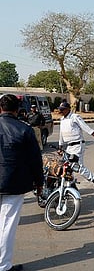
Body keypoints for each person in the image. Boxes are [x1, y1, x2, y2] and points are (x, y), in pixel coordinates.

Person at [0, 94, 43, 271]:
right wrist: (39, 183)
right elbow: (35, 160)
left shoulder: (25, 129)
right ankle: (3, 266)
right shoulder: (24, 129)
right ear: (18, 109)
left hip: (13, 182)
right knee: (7, 224)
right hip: (14, 183)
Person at [57, 101, 94, 195]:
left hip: (78, 145)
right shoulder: (62, 119)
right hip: (69, 146)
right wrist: (60, 146)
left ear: (68, 109)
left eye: (62, 109)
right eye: (60, 109)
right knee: (66, 168)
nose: (60, 111)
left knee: (78, 167)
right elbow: (61, 134)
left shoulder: (75, 117)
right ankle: (72, 186)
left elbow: (85, 127)